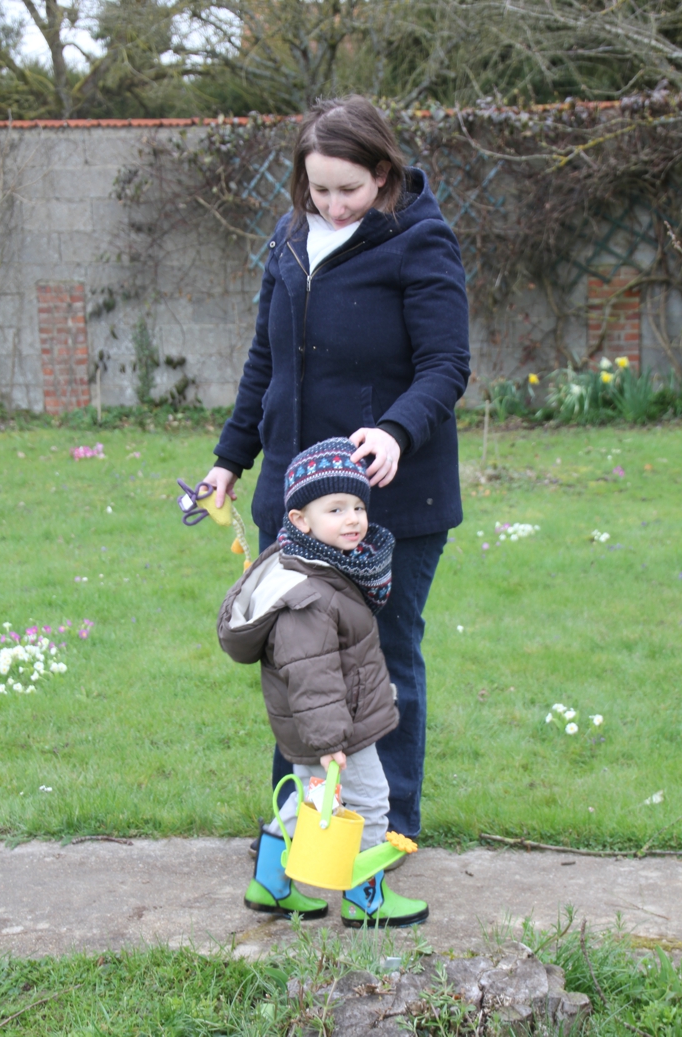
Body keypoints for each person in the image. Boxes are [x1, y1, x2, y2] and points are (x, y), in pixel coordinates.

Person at [202, 95, 470, 839]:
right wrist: (229, 459)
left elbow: (446, 364)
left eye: (348, 188)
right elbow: (265, 362)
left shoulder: (420, 240)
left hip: (387, 501)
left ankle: (385, 830)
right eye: (318, 188)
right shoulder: (290, 238)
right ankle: (302, 830)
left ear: (382, 172)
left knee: (382, 662)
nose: (333, 204)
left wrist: (395, 430)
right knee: (298, 660)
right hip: (294, 501)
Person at [218, 438, 429, 927]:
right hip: (335, 730)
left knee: (312, 802)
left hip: (330, 724)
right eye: (335, 509)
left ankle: (270, 885)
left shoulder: (322, 567)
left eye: (358, 506)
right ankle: (366, 899)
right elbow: (311, 675)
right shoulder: (307, 593)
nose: (353, 519)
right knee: (369, 801)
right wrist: (331, 740)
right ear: (300, 520)